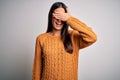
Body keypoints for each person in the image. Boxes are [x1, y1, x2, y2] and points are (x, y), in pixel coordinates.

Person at [32, 2, 97, 80]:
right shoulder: (41, 39)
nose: (59, 20)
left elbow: (92, 37)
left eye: (62, 16)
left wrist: (70, 19)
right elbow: (37, 69)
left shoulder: (73, 36)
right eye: (57, 15)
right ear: (51, 17)